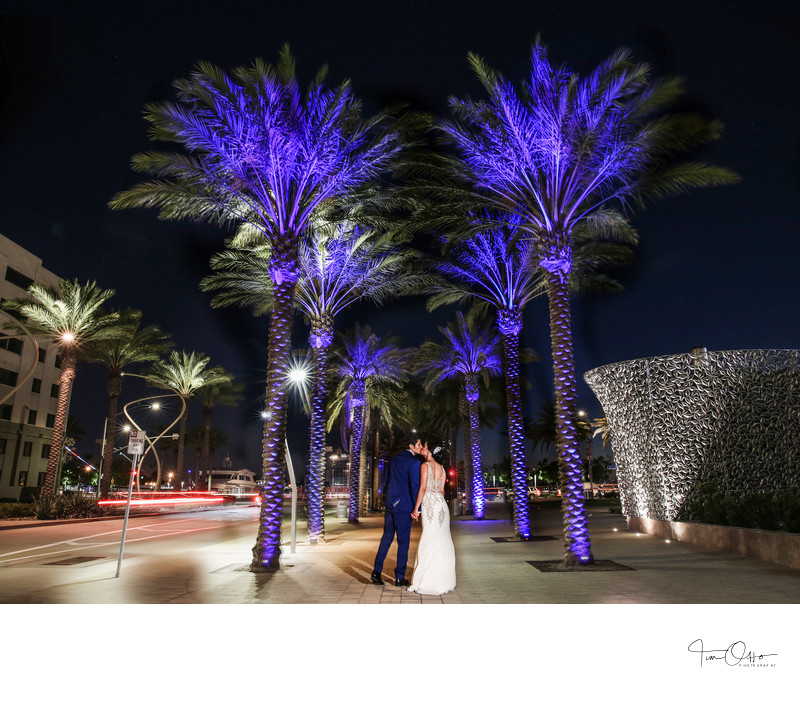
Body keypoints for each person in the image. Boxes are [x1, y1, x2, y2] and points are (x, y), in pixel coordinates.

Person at [371, 435, 423, 587]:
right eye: (418, 445)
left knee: (386, 538)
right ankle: (399, 577)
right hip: (404, 507)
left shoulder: (393, 459)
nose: (420, 447)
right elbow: (415, 487)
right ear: (411, 446)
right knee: (403, 542)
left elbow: (386, 480)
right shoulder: (414, 463)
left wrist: (387, 499)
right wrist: (417, 508)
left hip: (390, 504)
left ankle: (376, 571)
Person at [407, 442, 456, 595]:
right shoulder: (442, 469)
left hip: (429, 503)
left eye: (425, 447)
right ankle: (442, 579)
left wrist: (416, 509)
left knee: (429, 537)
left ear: (431, 453)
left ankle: (428, 579)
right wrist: (439, 505)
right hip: (441, 505)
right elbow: (441, 491)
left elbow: (422, 489)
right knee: (441, 539)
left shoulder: (425, 466)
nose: (422, 448)